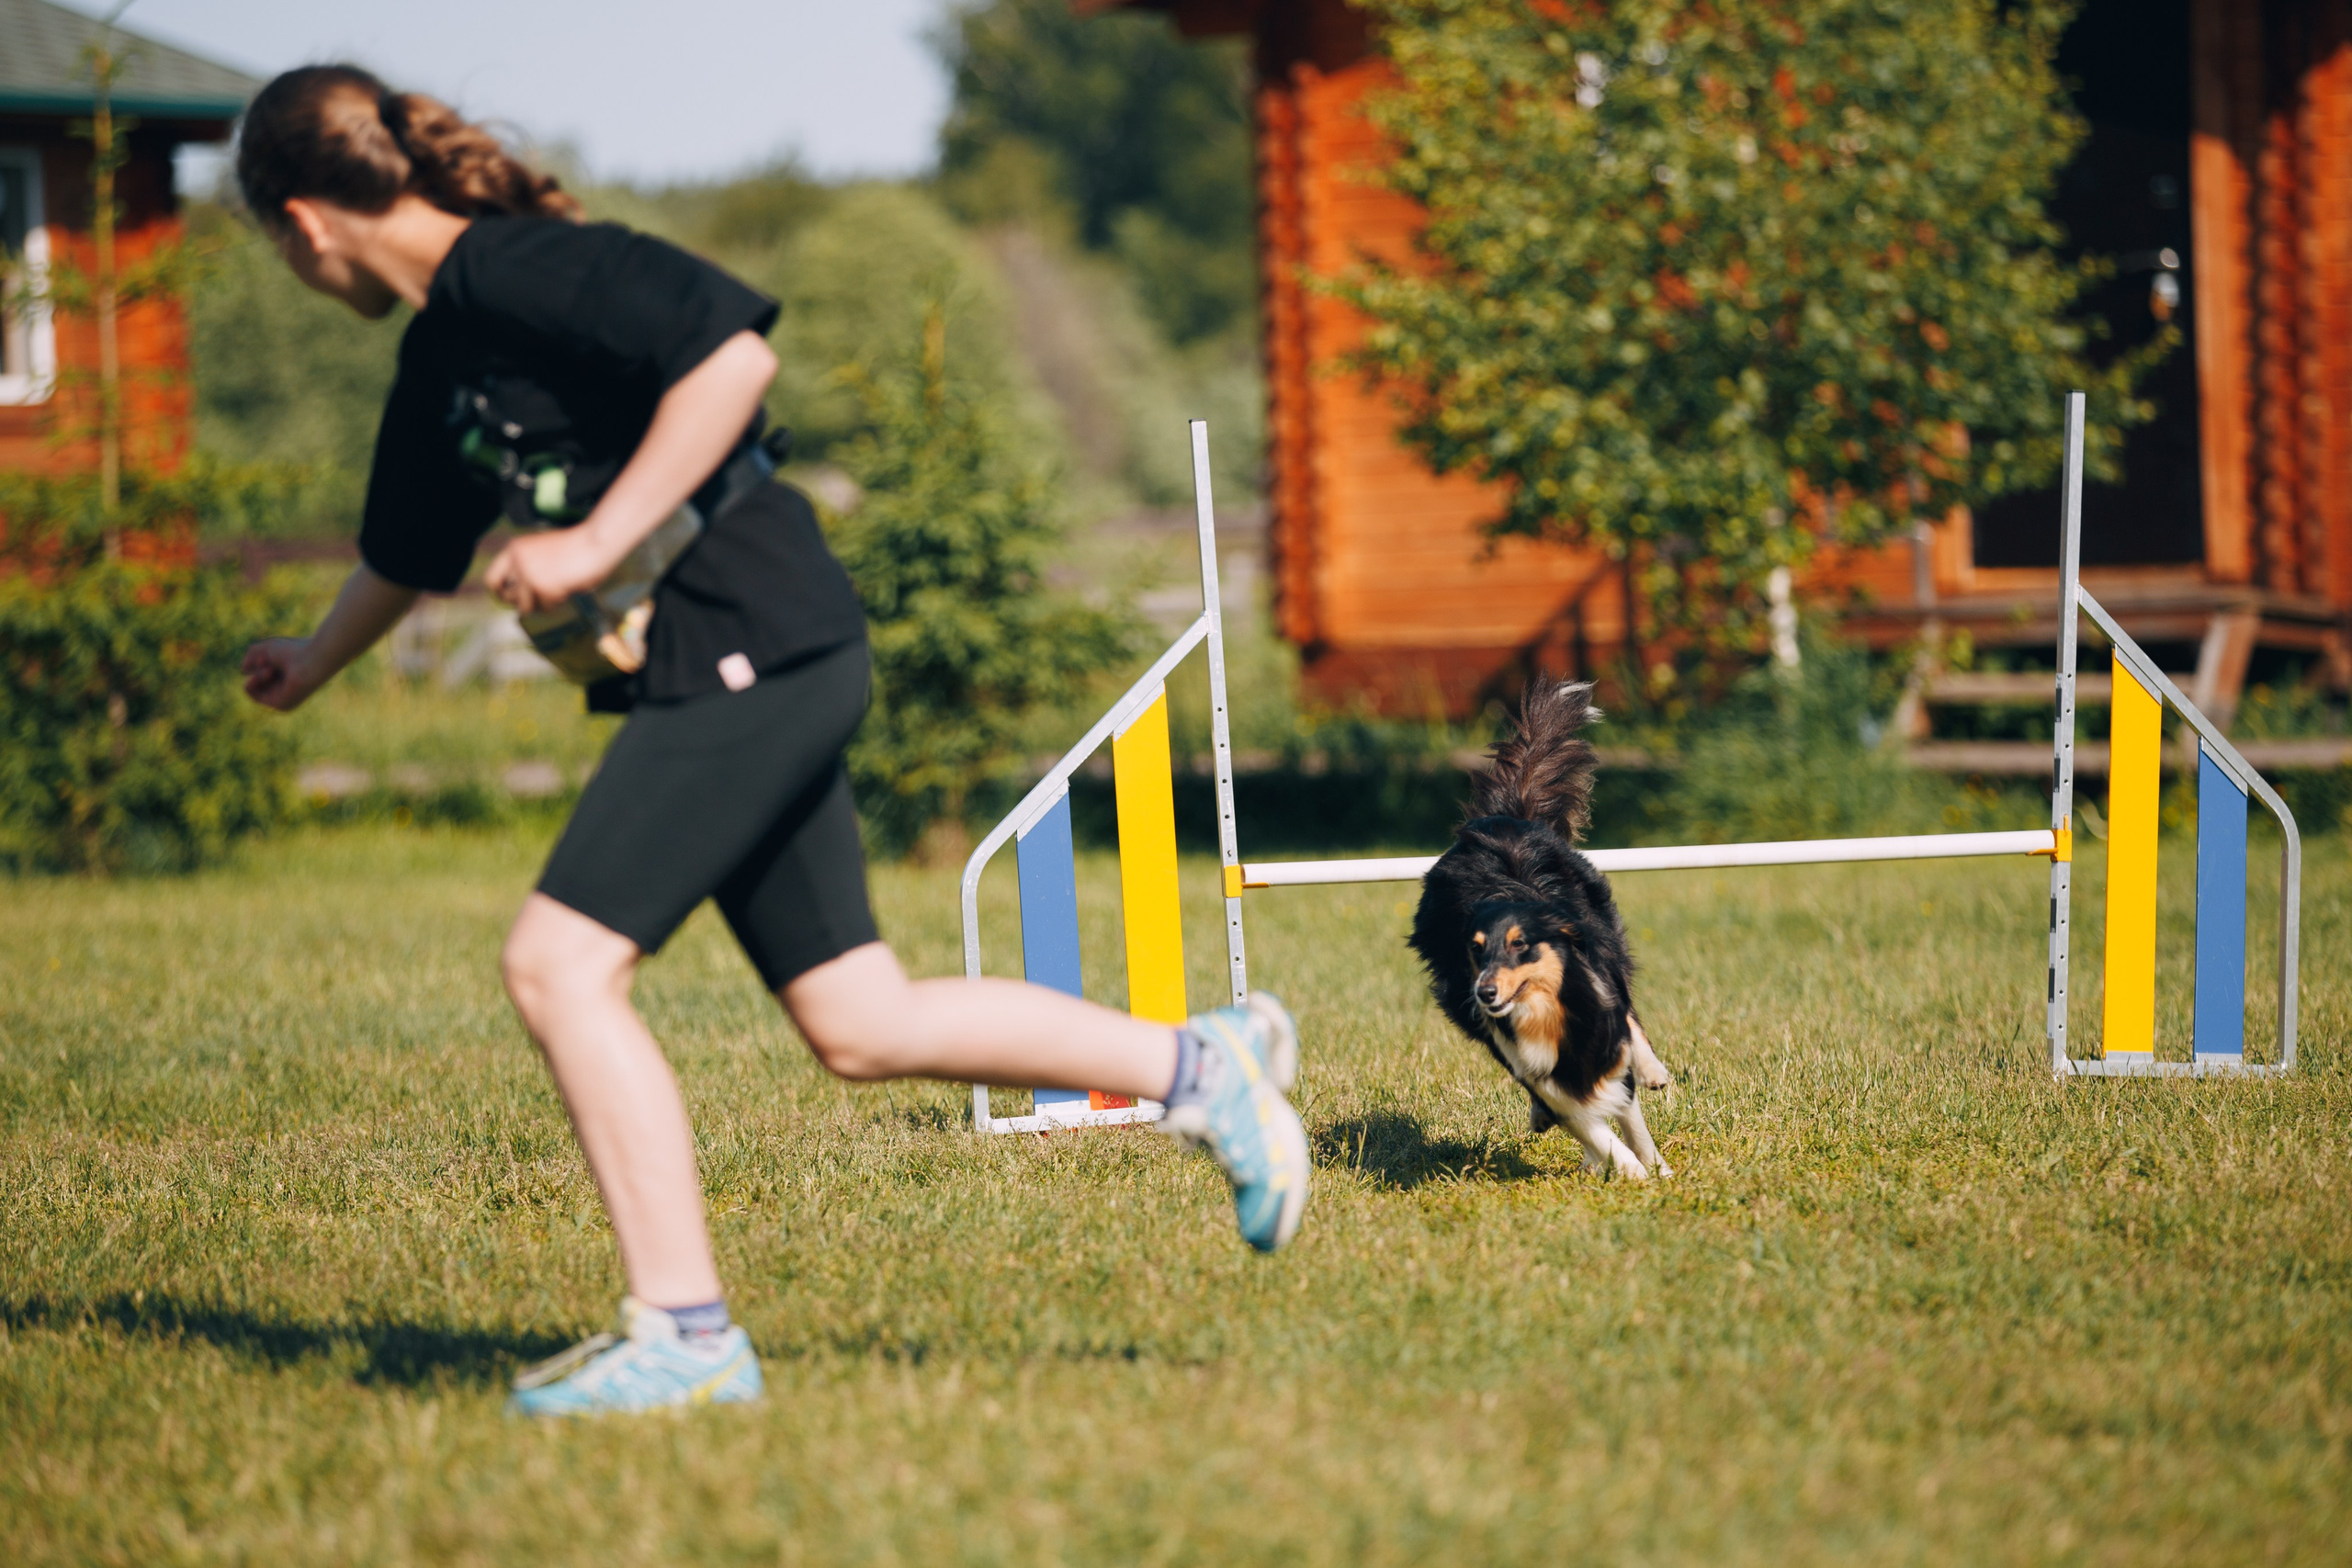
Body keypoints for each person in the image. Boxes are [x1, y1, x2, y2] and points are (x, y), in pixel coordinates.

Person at [232, 66, 1310, 1418]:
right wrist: (315, 659)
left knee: (558, 967)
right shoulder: (444, 350)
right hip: (747, 656)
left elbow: (733, 359)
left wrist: (591, 541)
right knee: (858, 1020)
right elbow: (407, 549)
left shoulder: (521, 270)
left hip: (747, 637)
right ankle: (1201, 1069)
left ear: (303, 221)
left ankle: (684, 1335)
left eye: (274, 246)